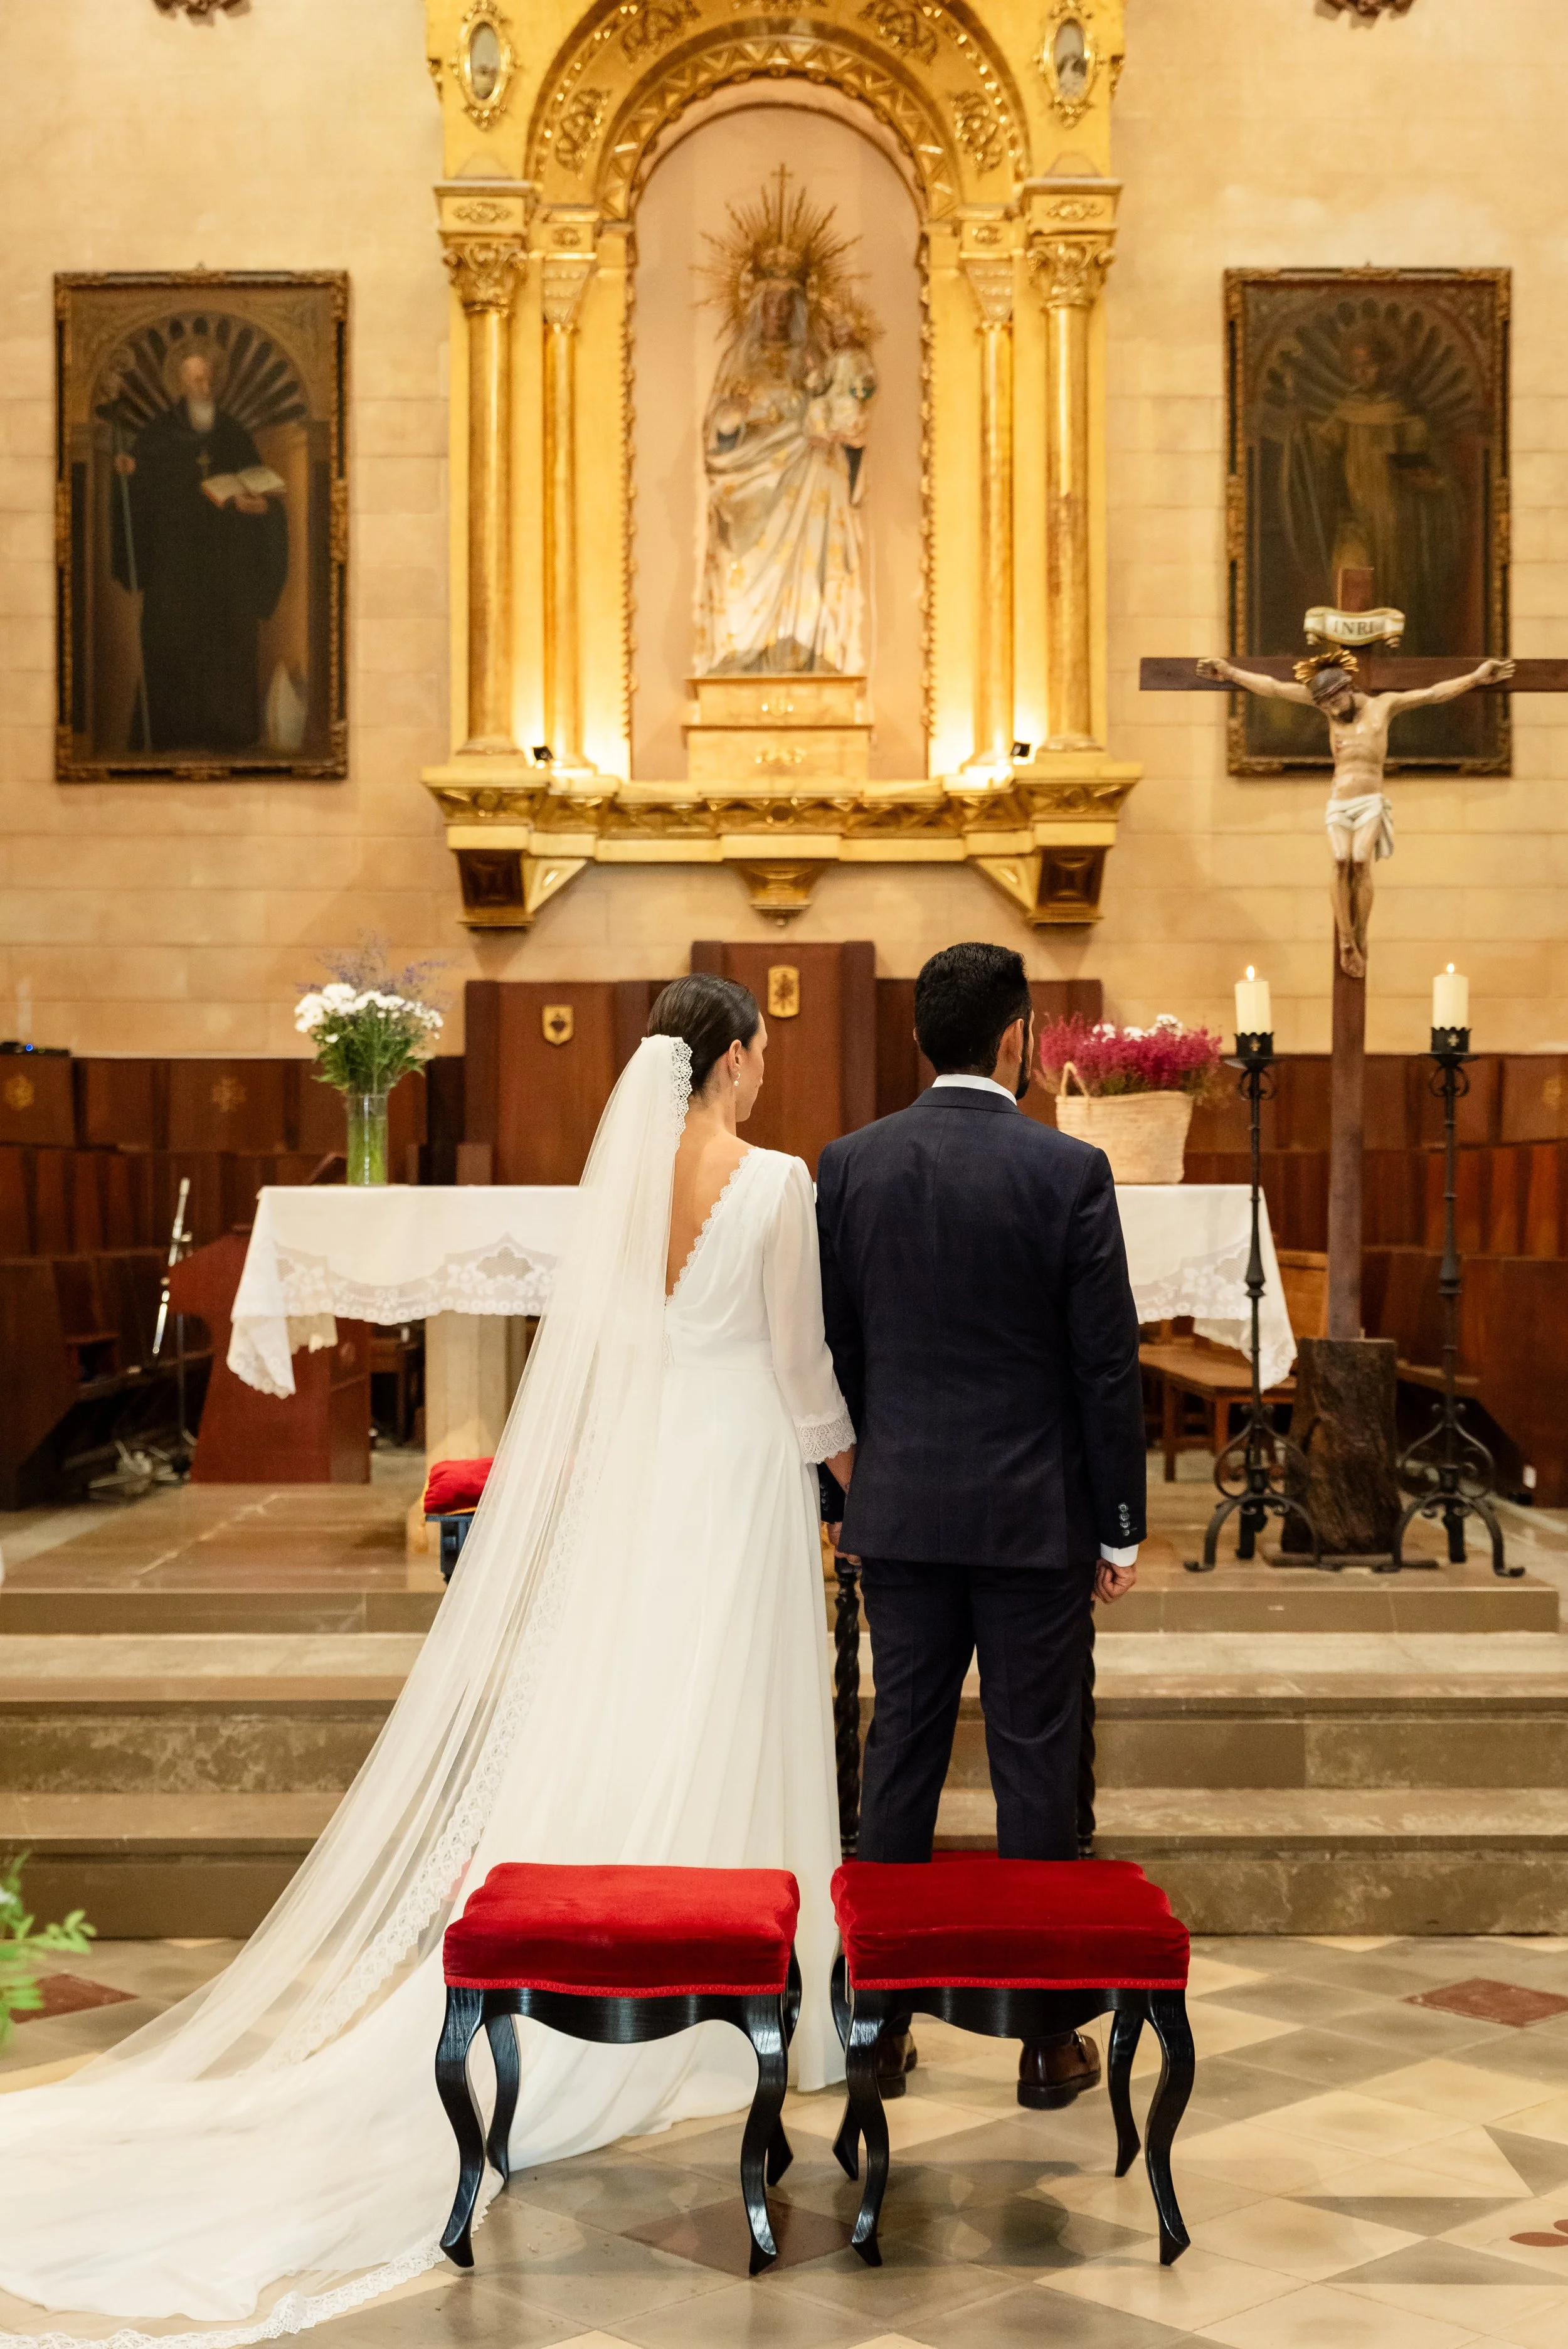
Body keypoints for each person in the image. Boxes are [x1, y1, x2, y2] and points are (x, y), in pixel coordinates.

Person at [0, 978, 850, 2346]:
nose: (761, 1076)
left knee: (636, 1697)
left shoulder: (624, 1186)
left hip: (648, 1476)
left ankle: (621, 1957)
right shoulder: (776, 1183)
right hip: (743, 1467)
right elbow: (801, 1365)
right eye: (760, 1057)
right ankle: (753, 1994)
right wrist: (851, 1471)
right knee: (734, 1700)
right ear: (737, 1058)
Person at [816, 942, 1147, 2111]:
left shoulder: (850, 1165)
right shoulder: (1070, 1169)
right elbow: (1106, 1367)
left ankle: (879, 2026)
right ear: (1018, 1039)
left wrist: (846, 1500)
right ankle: (1045, 2041)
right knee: (1035, 1764)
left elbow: (838, 1352)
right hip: (1033, 1519)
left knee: (899, 1755)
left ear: (923, 1039)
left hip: (901, 1512)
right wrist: (1119, 1528)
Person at [1198, 650, 1513, 975]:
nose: (1333, 711)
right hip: (1339, 800)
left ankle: (1361, 933)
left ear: (1348, 688)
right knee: (1340, 860)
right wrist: (1230, 672)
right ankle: (1346, 941)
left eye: (1335, 702)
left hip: (1369, 800)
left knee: (1360, 861)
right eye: (1325, 706)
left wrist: (1476, 678)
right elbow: (1274, 688)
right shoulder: (1327, 709)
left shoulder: (1384, 706)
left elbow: (1433, 694)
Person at [111, 349, 288, 751]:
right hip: (175, 566)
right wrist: (130, 474)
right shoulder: (157, 435)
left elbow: (262, 487)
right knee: (172, 643)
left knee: (227, 645)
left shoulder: (234, 434)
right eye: (196, 381)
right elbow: (139, 493)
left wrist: (261, 508)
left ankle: (229, 732)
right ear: (180, 383)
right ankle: (171, 734)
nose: (205, 388)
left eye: (209, 380)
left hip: (227, 566)